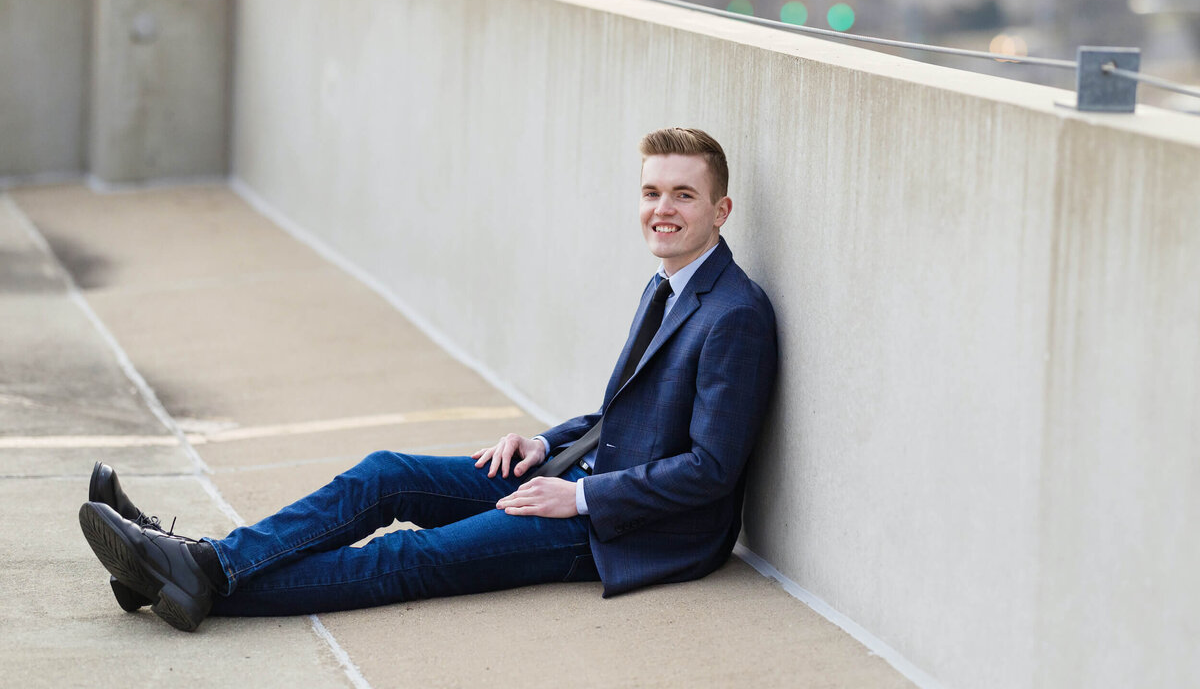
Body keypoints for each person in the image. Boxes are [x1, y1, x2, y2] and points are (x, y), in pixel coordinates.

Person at [79, 127, 778, 632]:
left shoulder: (735, 314)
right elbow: (624, 414)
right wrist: (542, 443)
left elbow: (711, 470)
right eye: (652, 191)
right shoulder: (672, 283)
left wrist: (583, 498)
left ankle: (188, 573)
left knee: (412, 557)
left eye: (684, 195)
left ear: (720, 211)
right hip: (571, 475)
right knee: (385, 474)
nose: (663, 209)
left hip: (624, 530)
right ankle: (194, 566)